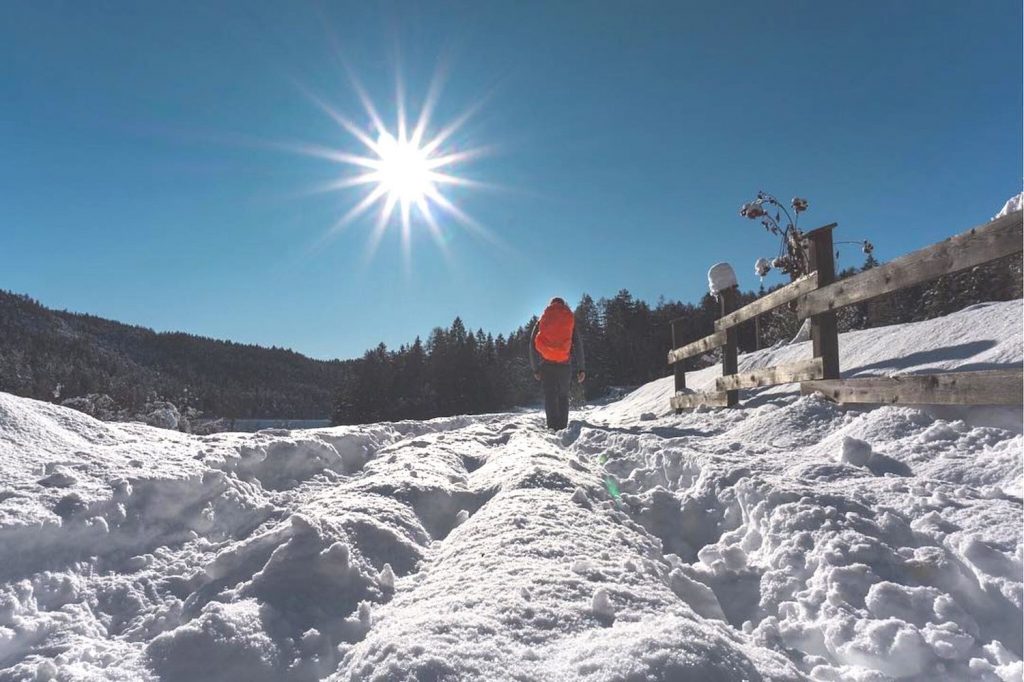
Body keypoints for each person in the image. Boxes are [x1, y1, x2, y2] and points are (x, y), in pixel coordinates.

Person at [529, 297, 585, 430]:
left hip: (547, 364)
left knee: (550, 396)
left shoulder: (544, 317)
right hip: (564, 364)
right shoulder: (569, 317)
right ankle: (563, 428)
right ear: (563, 304)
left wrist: (535, 368)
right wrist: (581, 368)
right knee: (563, 395)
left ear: (551, 304)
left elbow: (532, 343)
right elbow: (578, 344)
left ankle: (552, 427)